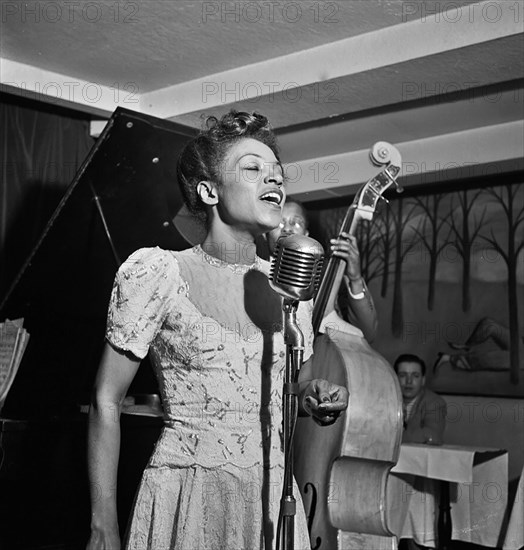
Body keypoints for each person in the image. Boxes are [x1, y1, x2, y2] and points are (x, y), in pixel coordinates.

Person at [86, 110, 349, 550]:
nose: (274, 181)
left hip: (269, 498)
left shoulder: (290, 290)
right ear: (209, 190)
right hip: (186, 495)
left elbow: (288, 389)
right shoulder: (159, 272)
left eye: (277, 174)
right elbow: (105, 400)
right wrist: (102, 524)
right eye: (253, 169)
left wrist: (313, 394)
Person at [265, 198, 378, 343]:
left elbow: (368, 333)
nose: (287, 228)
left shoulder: (326, 276)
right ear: (266, 232)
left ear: (306, 234)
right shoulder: (251, 272)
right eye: (280, 222)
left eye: (296, 222)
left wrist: (355, 278)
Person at [393, 354, 446, 445]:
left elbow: (433, 435)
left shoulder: (435, 403)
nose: (409, 381)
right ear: (394, 378)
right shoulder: (383, 400)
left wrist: (392, 437)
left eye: (415, 376)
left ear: (423, 380)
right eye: (402, 375)